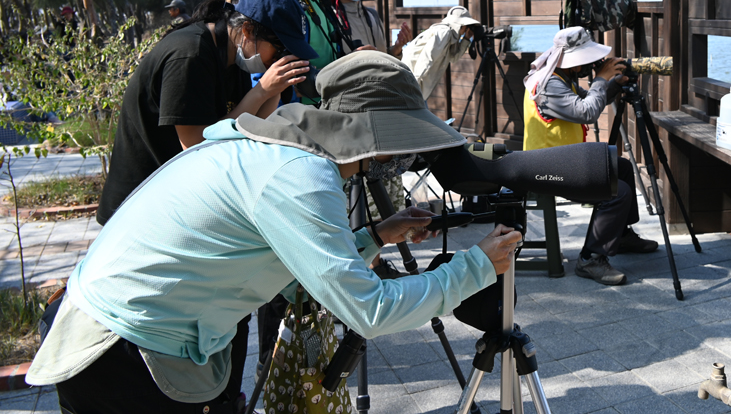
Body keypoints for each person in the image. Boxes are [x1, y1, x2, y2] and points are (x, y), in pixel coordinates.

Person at [27, 51, 522, 414]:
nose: (395, 157)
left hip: (115, 333)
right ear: (372, 134)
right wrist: (477, 265)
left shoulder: (273, 150)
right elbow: (369, 310)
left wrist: (376, 235)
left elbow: (296, 271)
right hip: (122, 353)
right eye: (397, 141)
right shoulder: (298, 176)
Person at [96, 0, 315, 225]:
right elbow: (196, 146)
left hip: (172, 198)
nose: (282, 58)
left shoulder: (234, 57)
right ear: (248, 30)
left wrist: (272, 90)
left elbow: (254, 129)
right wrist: (261, 91)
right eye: (280, 48)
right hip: (137, 209)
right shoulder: (191, 54)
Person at [522, 26, 658, 285]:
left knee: (623, 168)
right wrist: (600, 78)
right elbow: (587, 112)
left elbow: (589, 100)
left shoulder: (559, 76)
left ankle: (621, 235)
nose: (588, 64)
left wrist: (613, 84)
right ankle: (590, 258)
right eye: (583, 60)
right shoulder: (549, 83)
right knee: (618, 193)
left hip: (562, 160)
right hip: (545, 167)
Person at [322, 0, 414, 279]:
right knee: (351, 198)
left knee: (382, 191)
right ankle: (361, 261)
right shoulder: (328, 17)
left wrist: (395, 51)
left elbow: (378, 63)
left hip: (378, 118)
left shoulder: (372, 15)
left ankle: (374, 258)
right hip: (347, 124)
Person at [401, 5, 479, 99]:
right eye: (467, 26)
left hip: (412, 84)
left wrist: (466, 39)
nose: (466, 30)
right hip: (411, 84)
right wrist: (414, 86)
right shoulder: (444, 33)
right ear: (460, 26)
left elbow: (453, 58)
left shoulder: (450, 35)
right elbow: (427, 57)